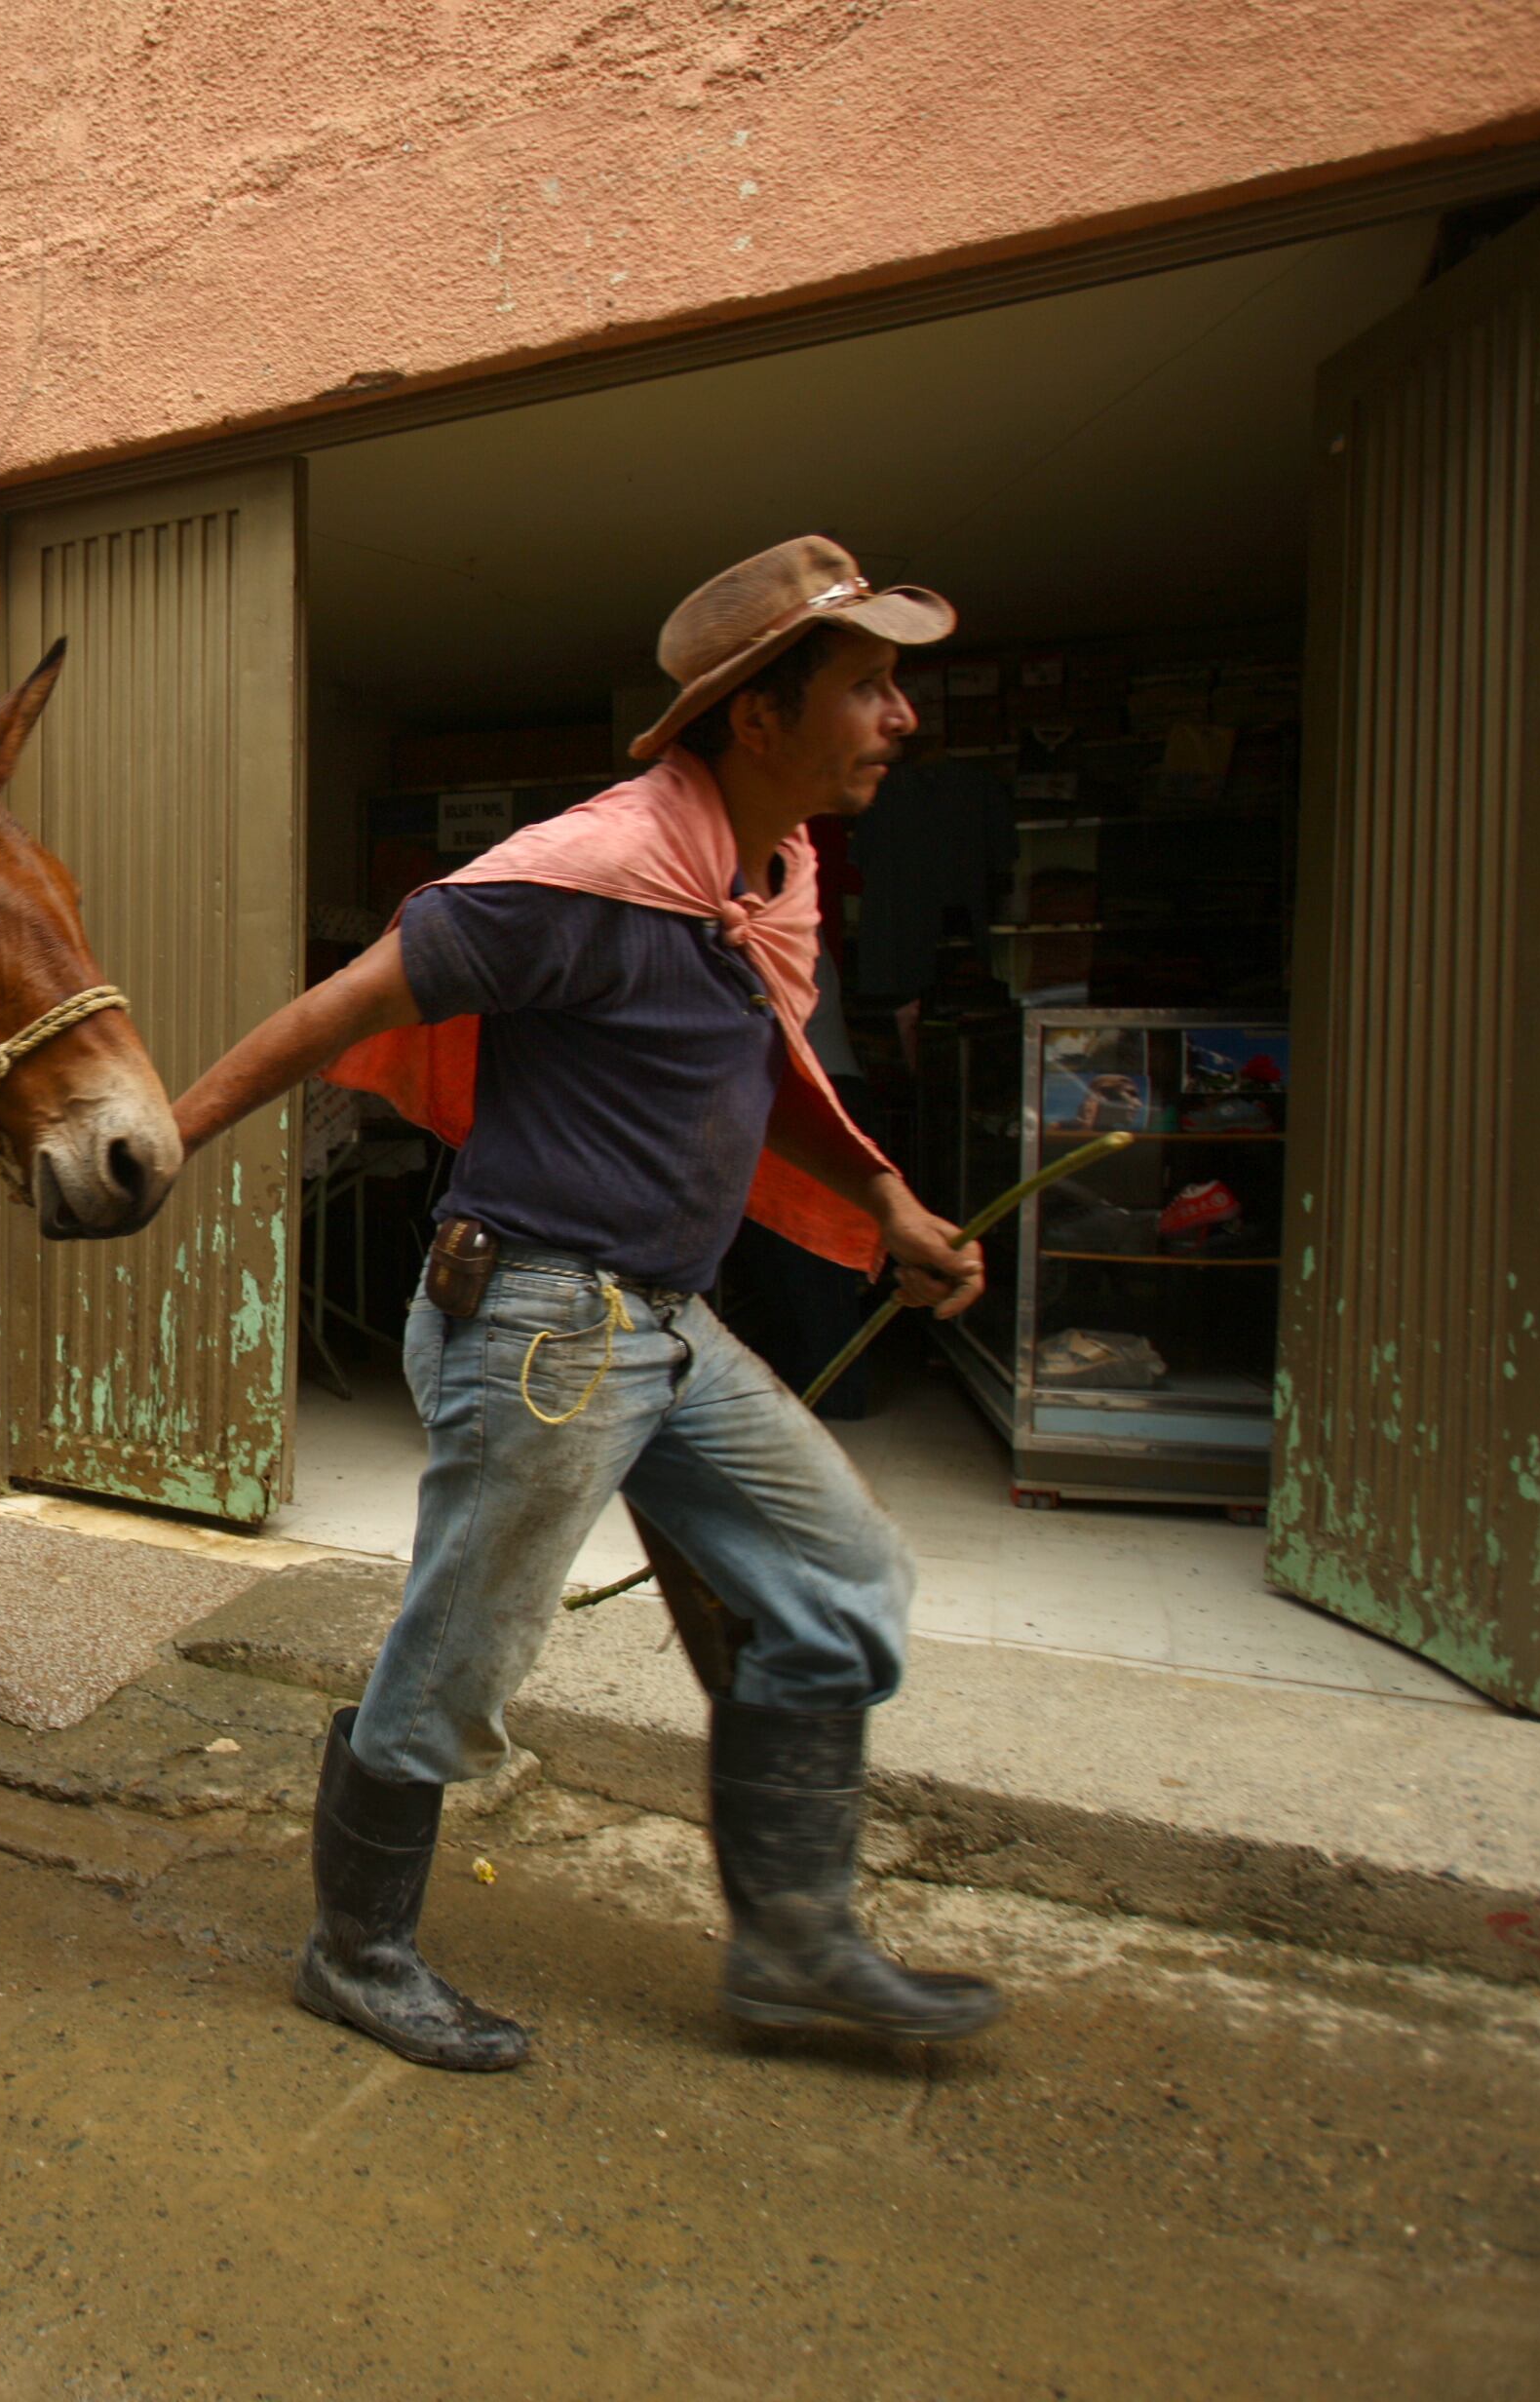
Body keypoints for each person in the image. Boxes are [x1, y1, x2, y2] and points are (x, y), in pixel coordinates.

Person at [169, 535, 1001, 2070]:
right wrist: (171, 1135)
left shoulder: (764, 884)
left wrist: (882, 1197)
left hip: (666, 1330)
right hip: (542, 1326)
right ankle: (355, 1951)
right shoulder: (589, 881)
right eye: (871, 687)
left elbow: (763, 1065)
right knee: (463, 1655)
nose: (902, 719)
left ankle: (794, 1950)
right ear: (759, 717)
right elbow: (338, 1005)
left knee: (840, 1582)